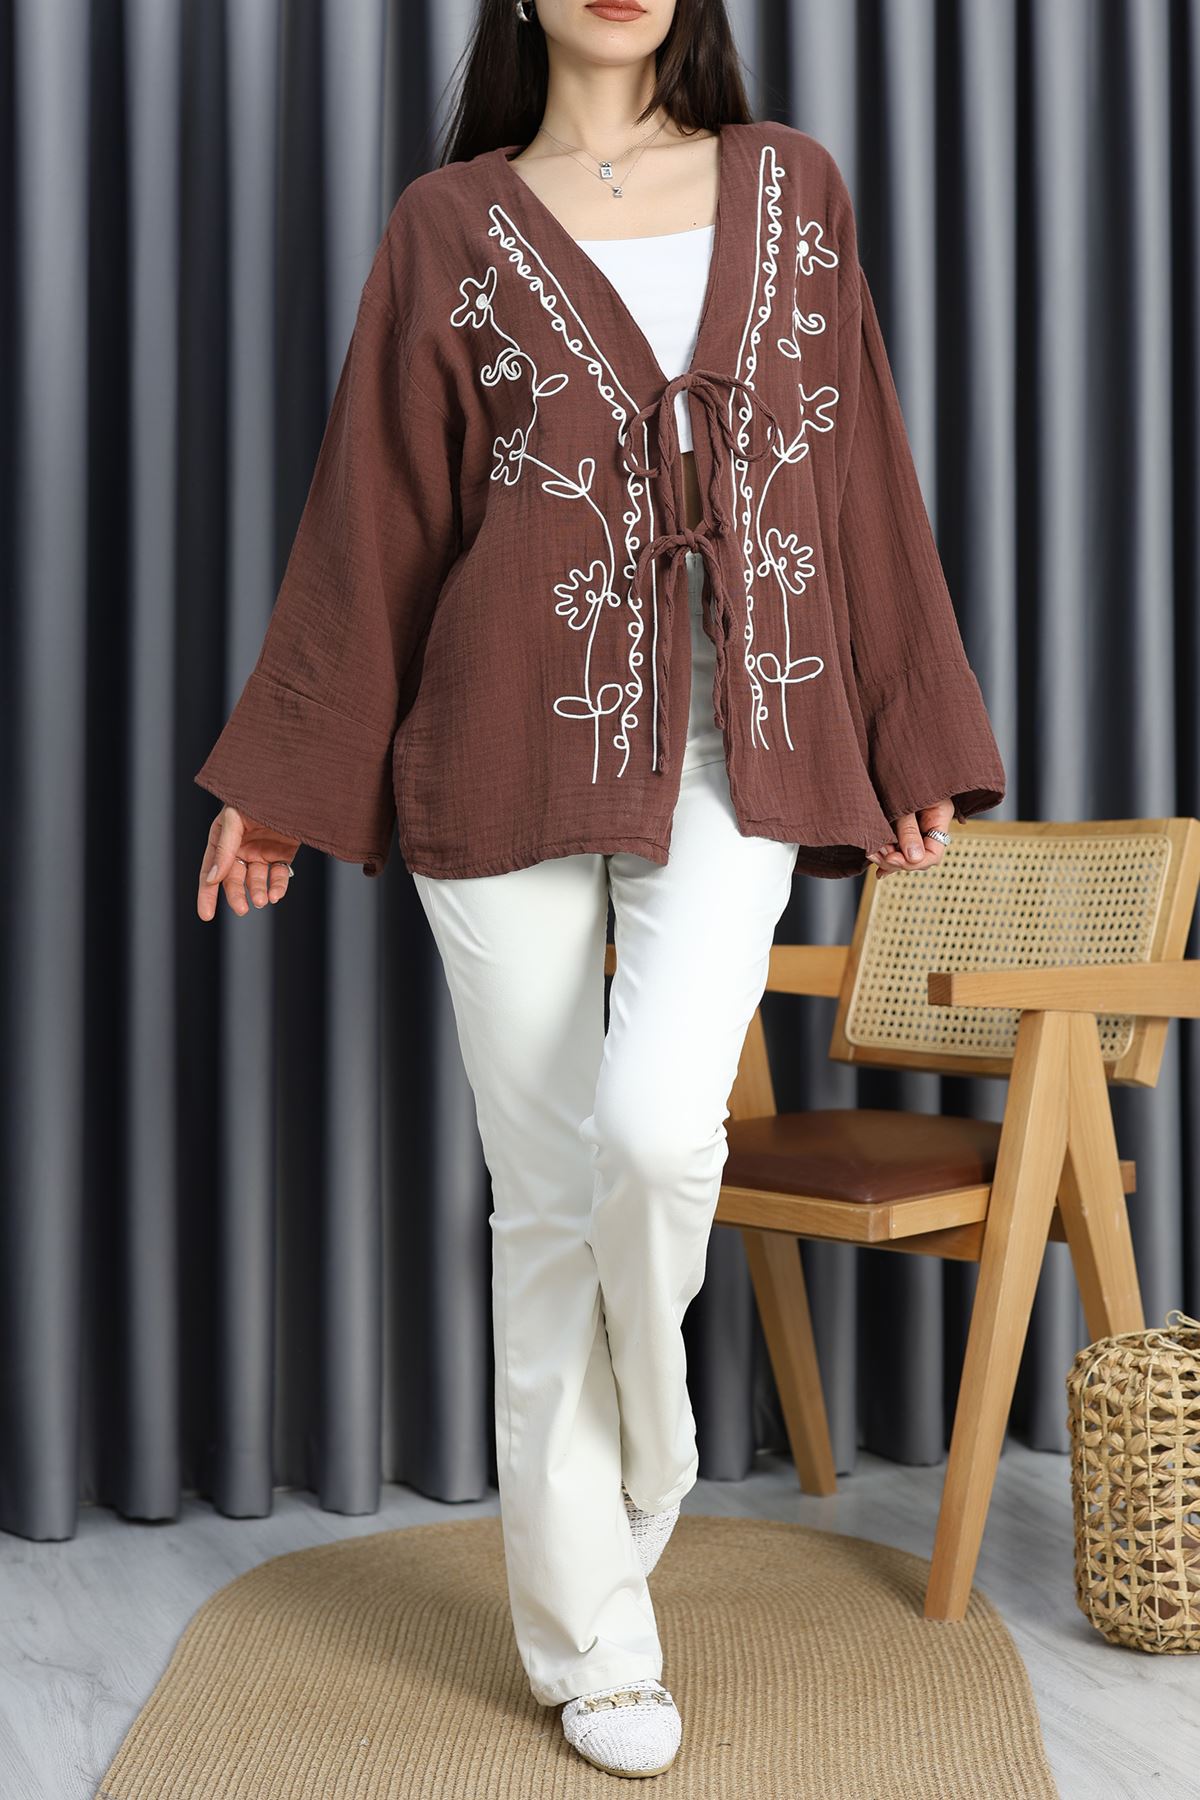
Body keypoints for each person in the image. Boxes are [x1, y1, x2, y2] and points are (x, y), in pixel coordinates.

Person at [193, 0, 1005, 1779]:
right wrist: (280, 780)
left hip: (742, 744)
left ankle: (649, 1446)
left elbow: (861, 472)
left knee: (649, 1135)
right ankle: (592, 1643)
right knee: (546, 1197)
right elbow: (375, 520)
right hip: (497, 745)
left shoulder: (791, 189)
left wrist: (908, 730)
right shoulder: (450, 223)